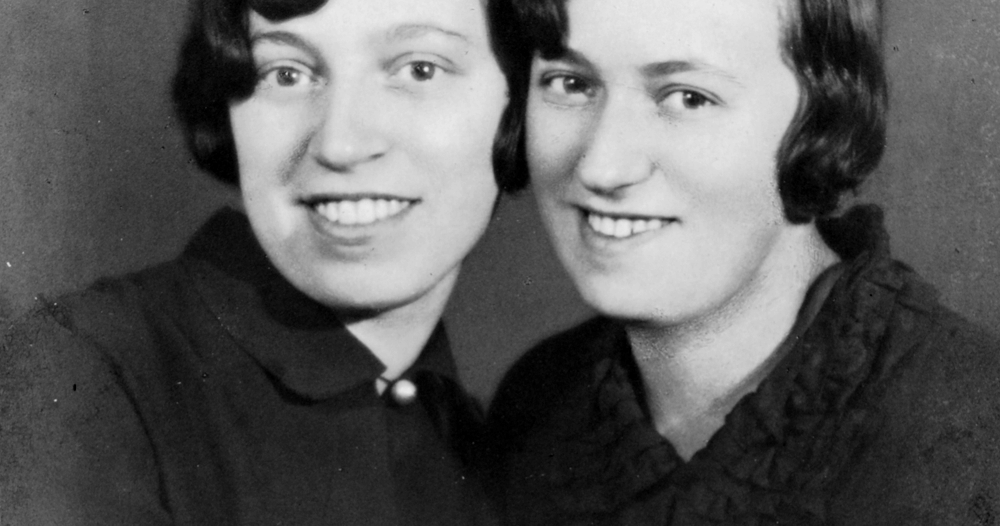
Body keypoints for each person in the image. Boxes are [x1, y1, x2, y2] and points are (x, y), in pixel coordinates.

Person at [0, 0, 525, 523]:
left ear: (521, 104)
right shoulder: (84, 372)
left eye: (420, 70)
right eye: (286, 74)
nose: (340, 144)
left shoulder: (496, 441)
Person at [486, 0, 1000, 524]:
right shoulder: (534, 406)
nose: (602, 166)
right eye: (570, 84)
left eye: (689, 97)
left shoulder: (975, 431)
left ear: (822, 116)